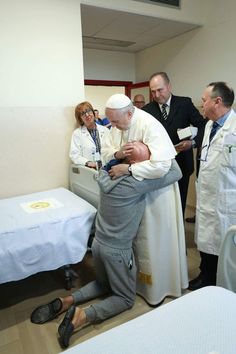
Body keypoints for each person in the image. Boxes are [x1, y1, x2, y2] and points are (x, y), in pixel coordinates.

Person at [30, 142, 182, 349]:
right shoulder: (137, 182)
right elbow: (176, 171)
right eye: (147, 158)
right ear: (136, 163)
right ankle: (82, 315)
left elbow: (108, 163)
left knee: (104, 284)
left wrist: (121, 156)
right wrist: (161, 151)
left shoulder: (105, 175)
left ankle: (67, 301)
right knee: (125, 298)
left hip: (98, 244)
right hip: (117, 251)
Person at [102, 94, 188, 306]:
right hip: (136, 193)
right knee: (140, 240)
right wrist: (118, 152)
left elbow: (162, 166)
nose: (111, 126)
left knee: (156, 241)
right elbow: (105, 152)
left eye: (115, 121)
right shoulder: (117, 124)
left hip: (157, 195)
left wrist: (128, 168)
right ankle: (140, 285)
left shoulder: (150, 125)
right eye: (110, 121)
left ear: (130, 113)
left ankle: (161, 288)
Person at [189, 81, 236, 290]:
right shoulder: (209, 124)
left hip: (227, 201)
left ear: (217, 102)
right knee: (206, 243)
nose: (202, 104)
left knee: (223, 248)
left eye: (204, 100)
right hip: (207, 195)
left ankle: (219, 283)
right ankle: (206, 277)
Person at [142, 72, 206, 217]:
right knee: (160, 205)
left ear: (169, 86)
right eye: (153, 91)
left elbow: (203, 126)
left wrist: (193, 143)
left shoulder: (184, 104)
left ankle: (179, 236)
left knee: (179, 204)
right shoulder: (146, 110)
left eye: (160, 90)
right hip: (157, 166)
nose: (157, 95)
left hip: (182, 164)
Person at [69, 102, 109, 169]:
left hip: (106, 167)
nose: (87, 115)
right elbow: (74, 155)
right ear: (80, 118)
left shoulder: (105, 130)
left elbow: (111, 149)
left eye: (88, 111)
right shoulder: (77, 134)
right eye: (83, 113)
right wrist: (88, 162)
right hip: (89, 170)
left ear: (93, 112)